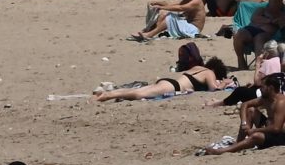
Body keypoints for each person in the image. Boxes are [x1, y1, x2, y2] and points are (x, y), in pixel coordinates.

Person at [203, 72, 285, 155]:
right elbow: (245, 104)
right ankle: (239, 143)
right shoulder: (265, 98)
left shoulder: (280, 102)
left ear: (270, 88)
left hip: (280, 136)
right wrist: (244, 123)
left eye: (262, 87)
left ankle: (222, 151)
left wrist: (254, 130)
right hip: (269, 128)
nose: (260, 89)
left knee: (256, 136)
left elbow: (276, 128)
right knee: (250, 110)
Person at [94, 57, 231, 102]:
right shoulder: (209, 73)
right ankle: (106, 96)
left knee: (138, 90)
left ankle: (107, 94)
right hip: (173, 87)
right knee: (138, 94)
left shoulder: (197, 67)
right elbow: (214, 88)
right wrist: (224, 83)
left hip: (169, 82)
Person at [129, 0, 207, 41]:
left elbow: (180, 8)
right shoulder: (187, 0)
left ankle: (149, 34)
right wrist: (158, 3)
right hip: (187, 25)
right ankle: (147, 31)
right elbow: (172, 5)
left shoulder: (196, 2)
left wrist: (161, 7)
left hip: (193, 29)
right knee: (163, 13)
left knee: (170, 17)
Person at [234, 0, 285, 69]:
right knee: (239, 34)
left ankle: (259, 65)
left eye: (277, 1)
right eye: (273, 1)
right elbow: (254, 18)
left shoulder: (282, 14)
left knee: (259, 38)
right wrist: (270, 20)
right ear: (270, 1)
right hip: (250, 30)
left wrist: (279, 22)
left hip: (266, 34)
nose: (276, 3)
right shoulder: (262, 9)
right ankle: (241, 62)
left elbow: (282, 28)